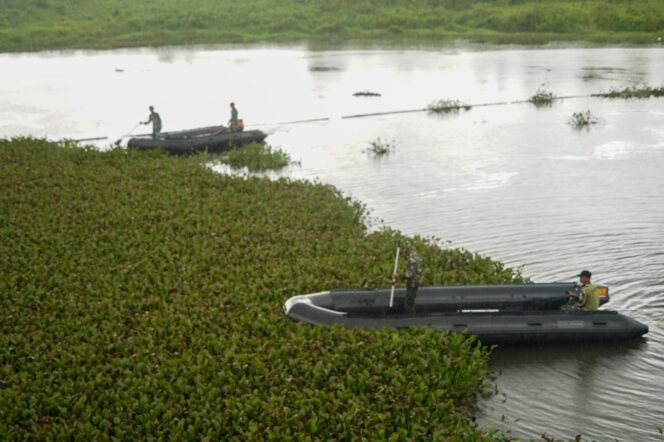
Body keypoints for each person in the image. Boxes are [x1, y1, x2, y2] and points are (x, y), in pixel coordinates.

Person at [392, 245, 422, 314]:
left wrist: (398, 276)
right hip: (416, 281)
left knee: (409, 301)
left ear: (408, 250)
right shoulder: (417, 257)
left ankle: (410, 318)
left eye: (405, 251)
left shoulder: (412, 259)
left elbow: (410, 274)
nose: (404, 253)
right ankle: (411, 317)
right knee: (411, 300)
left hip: (412, 283)